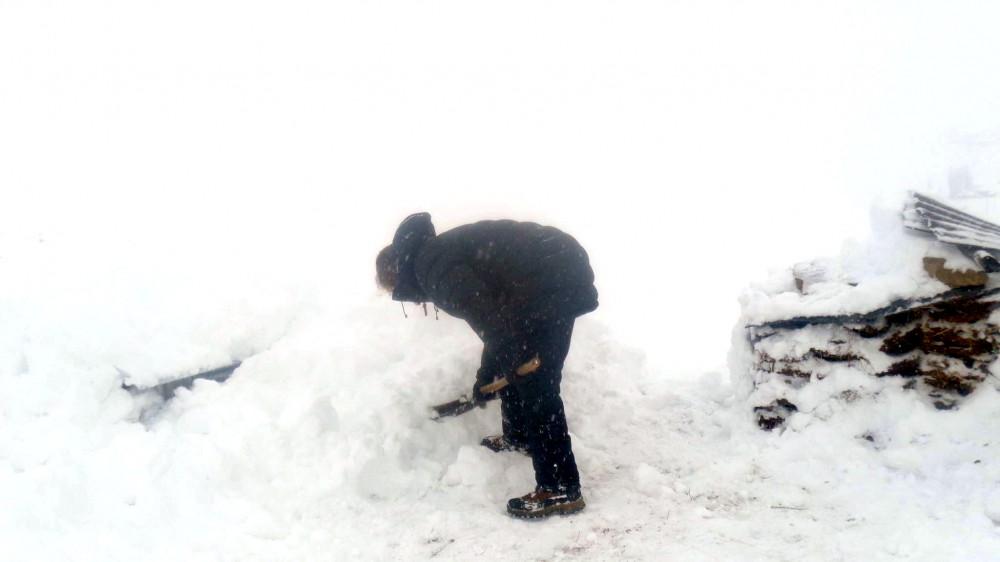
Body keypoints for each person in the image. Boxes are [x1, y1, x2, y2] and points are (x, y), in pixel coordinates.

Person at [375, 212, 599, 518]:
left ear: (400, 277)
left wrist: (514, 363)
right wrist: (488, 377)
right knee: (517, 364)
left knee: (537, 384)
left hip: (551, 278)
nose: (414, 302)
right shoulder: (434, 259)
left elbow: (492, 321)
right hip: (549, 270)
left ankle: (560, 487)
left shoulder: (435, 270)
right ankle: (519, 436)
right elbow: (494, 320)